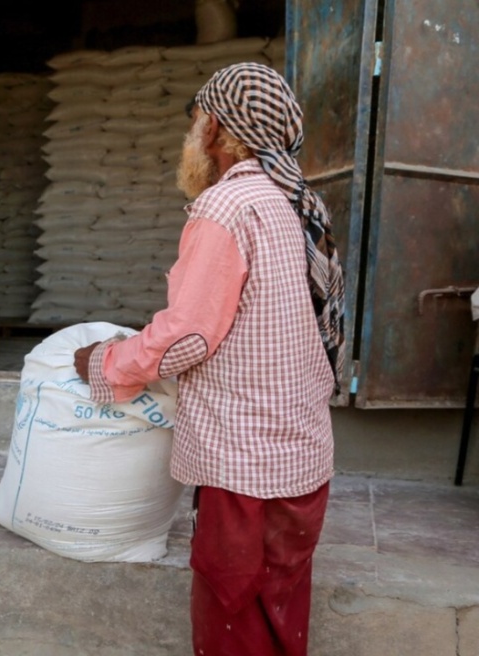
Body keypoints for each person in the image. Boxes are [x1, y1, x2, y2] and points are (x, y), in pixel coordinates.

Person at [73, 63, 345, 656]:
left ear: (219, 129)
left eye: (198, 118)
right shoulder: (296, 203)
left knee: (233, 627)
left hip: (243, 470)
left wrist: (103, 362)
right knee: (279, 615)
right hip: (302, 460)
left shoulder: (226, 208)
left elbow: (188, 337)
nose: (194, 131)